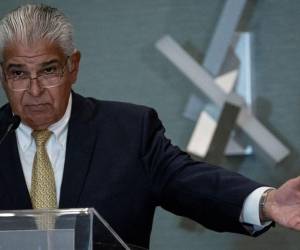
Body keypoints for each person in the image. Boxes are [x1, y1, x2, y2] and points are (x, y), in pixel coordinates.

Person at [0, 4, 299, 249]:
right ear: (3, 75)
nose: (34, 90)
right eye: (18, 73)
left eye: (48, 70)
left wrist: (267, 202)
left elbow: (192, 183)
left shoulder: (128, 132)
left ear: (73, 67)